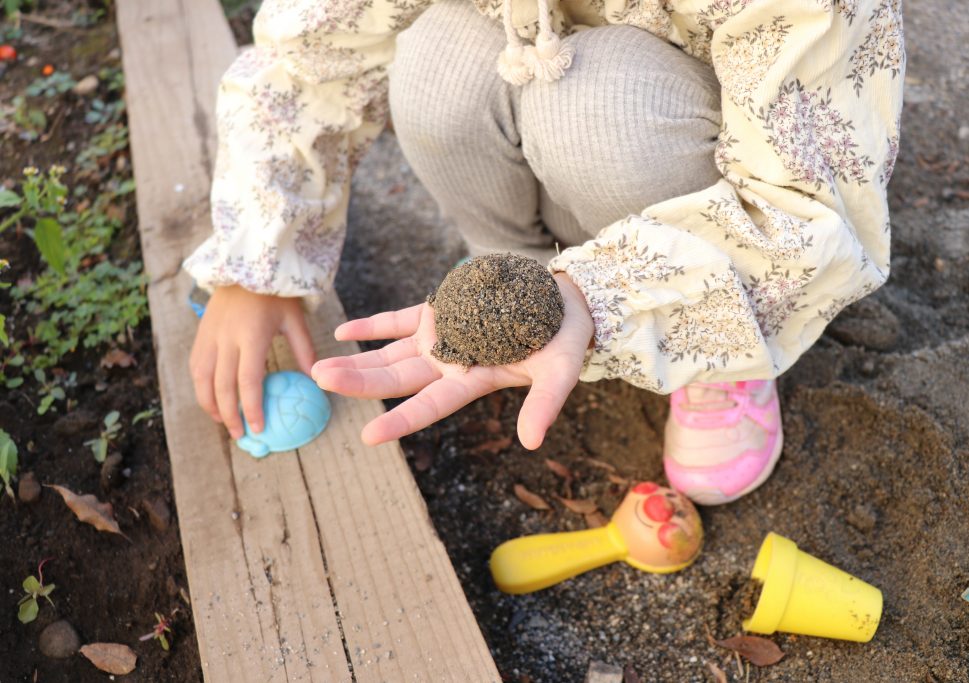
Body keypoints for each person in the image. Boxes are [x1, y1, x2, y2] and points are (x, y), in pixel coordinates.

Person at [186, 0, 904, 505]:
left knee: (599, 107)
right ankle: (512, 276)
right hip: (541, 102)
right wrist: (260, 260)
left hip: (690, 160)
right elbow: (309, 61)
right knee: (435, 57)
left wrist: (602, 294)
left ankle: (708, 337)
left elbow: (808, 201)